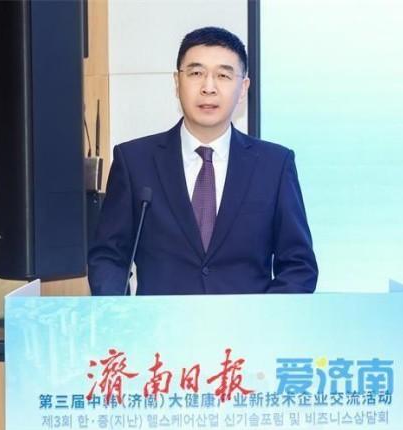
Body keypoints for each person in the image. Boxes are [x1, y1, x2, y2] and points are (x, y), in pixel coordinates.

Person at [88, 27, 317, 295]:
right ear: (177, 82)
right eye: (196, 73)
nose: (209, 88)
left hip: (246, 322)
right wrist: (121, 314)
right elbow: (109, 258)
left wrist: (262, 317)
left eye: (223, 75)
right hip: (159, 321)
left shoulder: (274, 165)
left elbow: (298, 266)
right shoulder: (134, 162)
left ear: (243, 88)